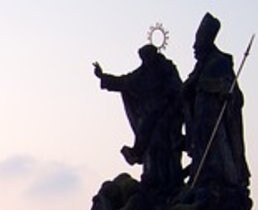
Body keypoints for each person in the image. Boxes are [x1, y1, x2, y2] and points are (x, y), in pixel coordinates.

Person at [93, 45, 183, 194]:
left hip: (168, 117)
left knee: (164, 149)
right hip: (151, 117)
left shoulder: (166, 69)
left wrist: (170, 103)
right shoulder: (143, 73)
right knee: (152, 148)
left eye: (146, 57)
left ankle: (165, 180)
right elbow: (125, 82)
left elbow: (177, 89)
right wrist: (103, 77)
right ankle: (150, 172)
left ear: (153, 56)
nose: (145, 61)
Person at [182, 12, 249, 190]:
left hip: (215, 120)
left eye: (198, 43)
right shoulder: (201, 65)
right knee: (201, 152)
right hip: (200, 119)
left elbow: (235, 94)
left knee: (218, 153)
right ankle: (201, 183)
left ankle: (220, 185)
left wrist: (228, 94)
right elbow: (187, 88)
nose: (195, 47)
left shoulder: (221, 61)